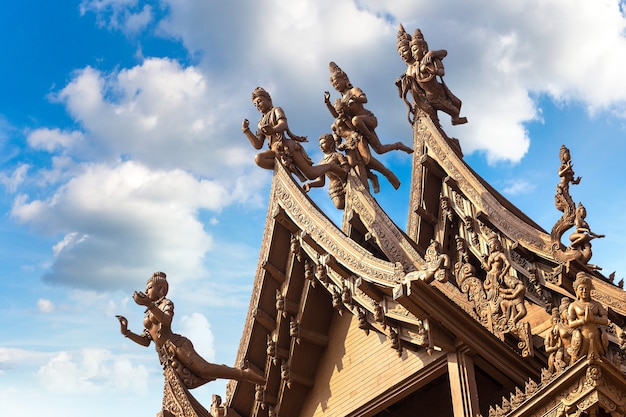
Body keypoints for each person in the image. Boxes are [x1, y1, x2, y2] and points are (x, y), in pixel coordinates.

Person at [117, 272, 265, 388]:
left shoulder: (164, 304)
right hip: (166, 355)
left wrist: (150, 304)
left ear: (160, 289)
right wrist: (127, 333)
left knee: (204, 370)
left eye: (149, 287)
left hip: (177, 345)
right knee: (193, 377)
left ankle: (244, 374)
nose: (146, 291)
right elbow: (146, 341)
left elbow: (166, 320)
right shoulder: (149, 313)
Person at [242, 87, 342, 182]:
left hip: (287, 147)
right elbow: (258, 145)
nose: (257, 105)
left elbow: (283, 124)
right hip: (274, 151)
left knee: (311, 174)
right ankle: (288, 169)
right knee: (259, 159)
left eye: (259, 101)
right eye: (255, 105)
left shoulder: (276, 110)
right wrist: (246, 130)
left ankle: (330, 166)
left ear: (268, 100)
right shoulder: (260, 123)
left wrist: (273, 129)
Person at [325, 62, 413, 157]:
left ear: (344, 79)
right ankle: (398, 145)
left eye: (337, 82)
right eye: (334, 85)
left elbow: (364, 99)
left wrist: (354, 99)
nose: (336, 86)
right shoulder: (341, 100)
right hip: (359, 127)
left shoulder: (353, 91)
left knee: (355, 120)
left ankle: (368, 136)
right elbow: (336, 115)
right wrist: (328, 103)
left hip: (368, 119)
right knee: (379, 149)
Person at [567, 272, 609, 364]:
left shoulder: (597, 305)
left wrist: (594, 319)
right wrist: (583, 321)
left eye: (587, 289)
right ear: (576, 291)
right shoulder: (573, 305)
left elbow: (605, 320)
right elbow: (570, 323)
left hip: (596, 335)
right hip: (581, 337)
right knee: (579, 360)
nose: (584, 291)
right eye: (581, 289)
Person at [303, 134, 349, 209]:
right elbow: (321, 182)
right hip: (334, 188)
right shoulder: (321, 163)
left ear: (331, 143)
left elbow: (346, 171)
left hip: (343, 183)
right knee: (339, 205)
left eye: (323, 143)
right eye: (319, 145)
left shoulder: (337, 156)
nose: (321, 146)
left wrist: (332, 167)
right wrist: (310, 185)